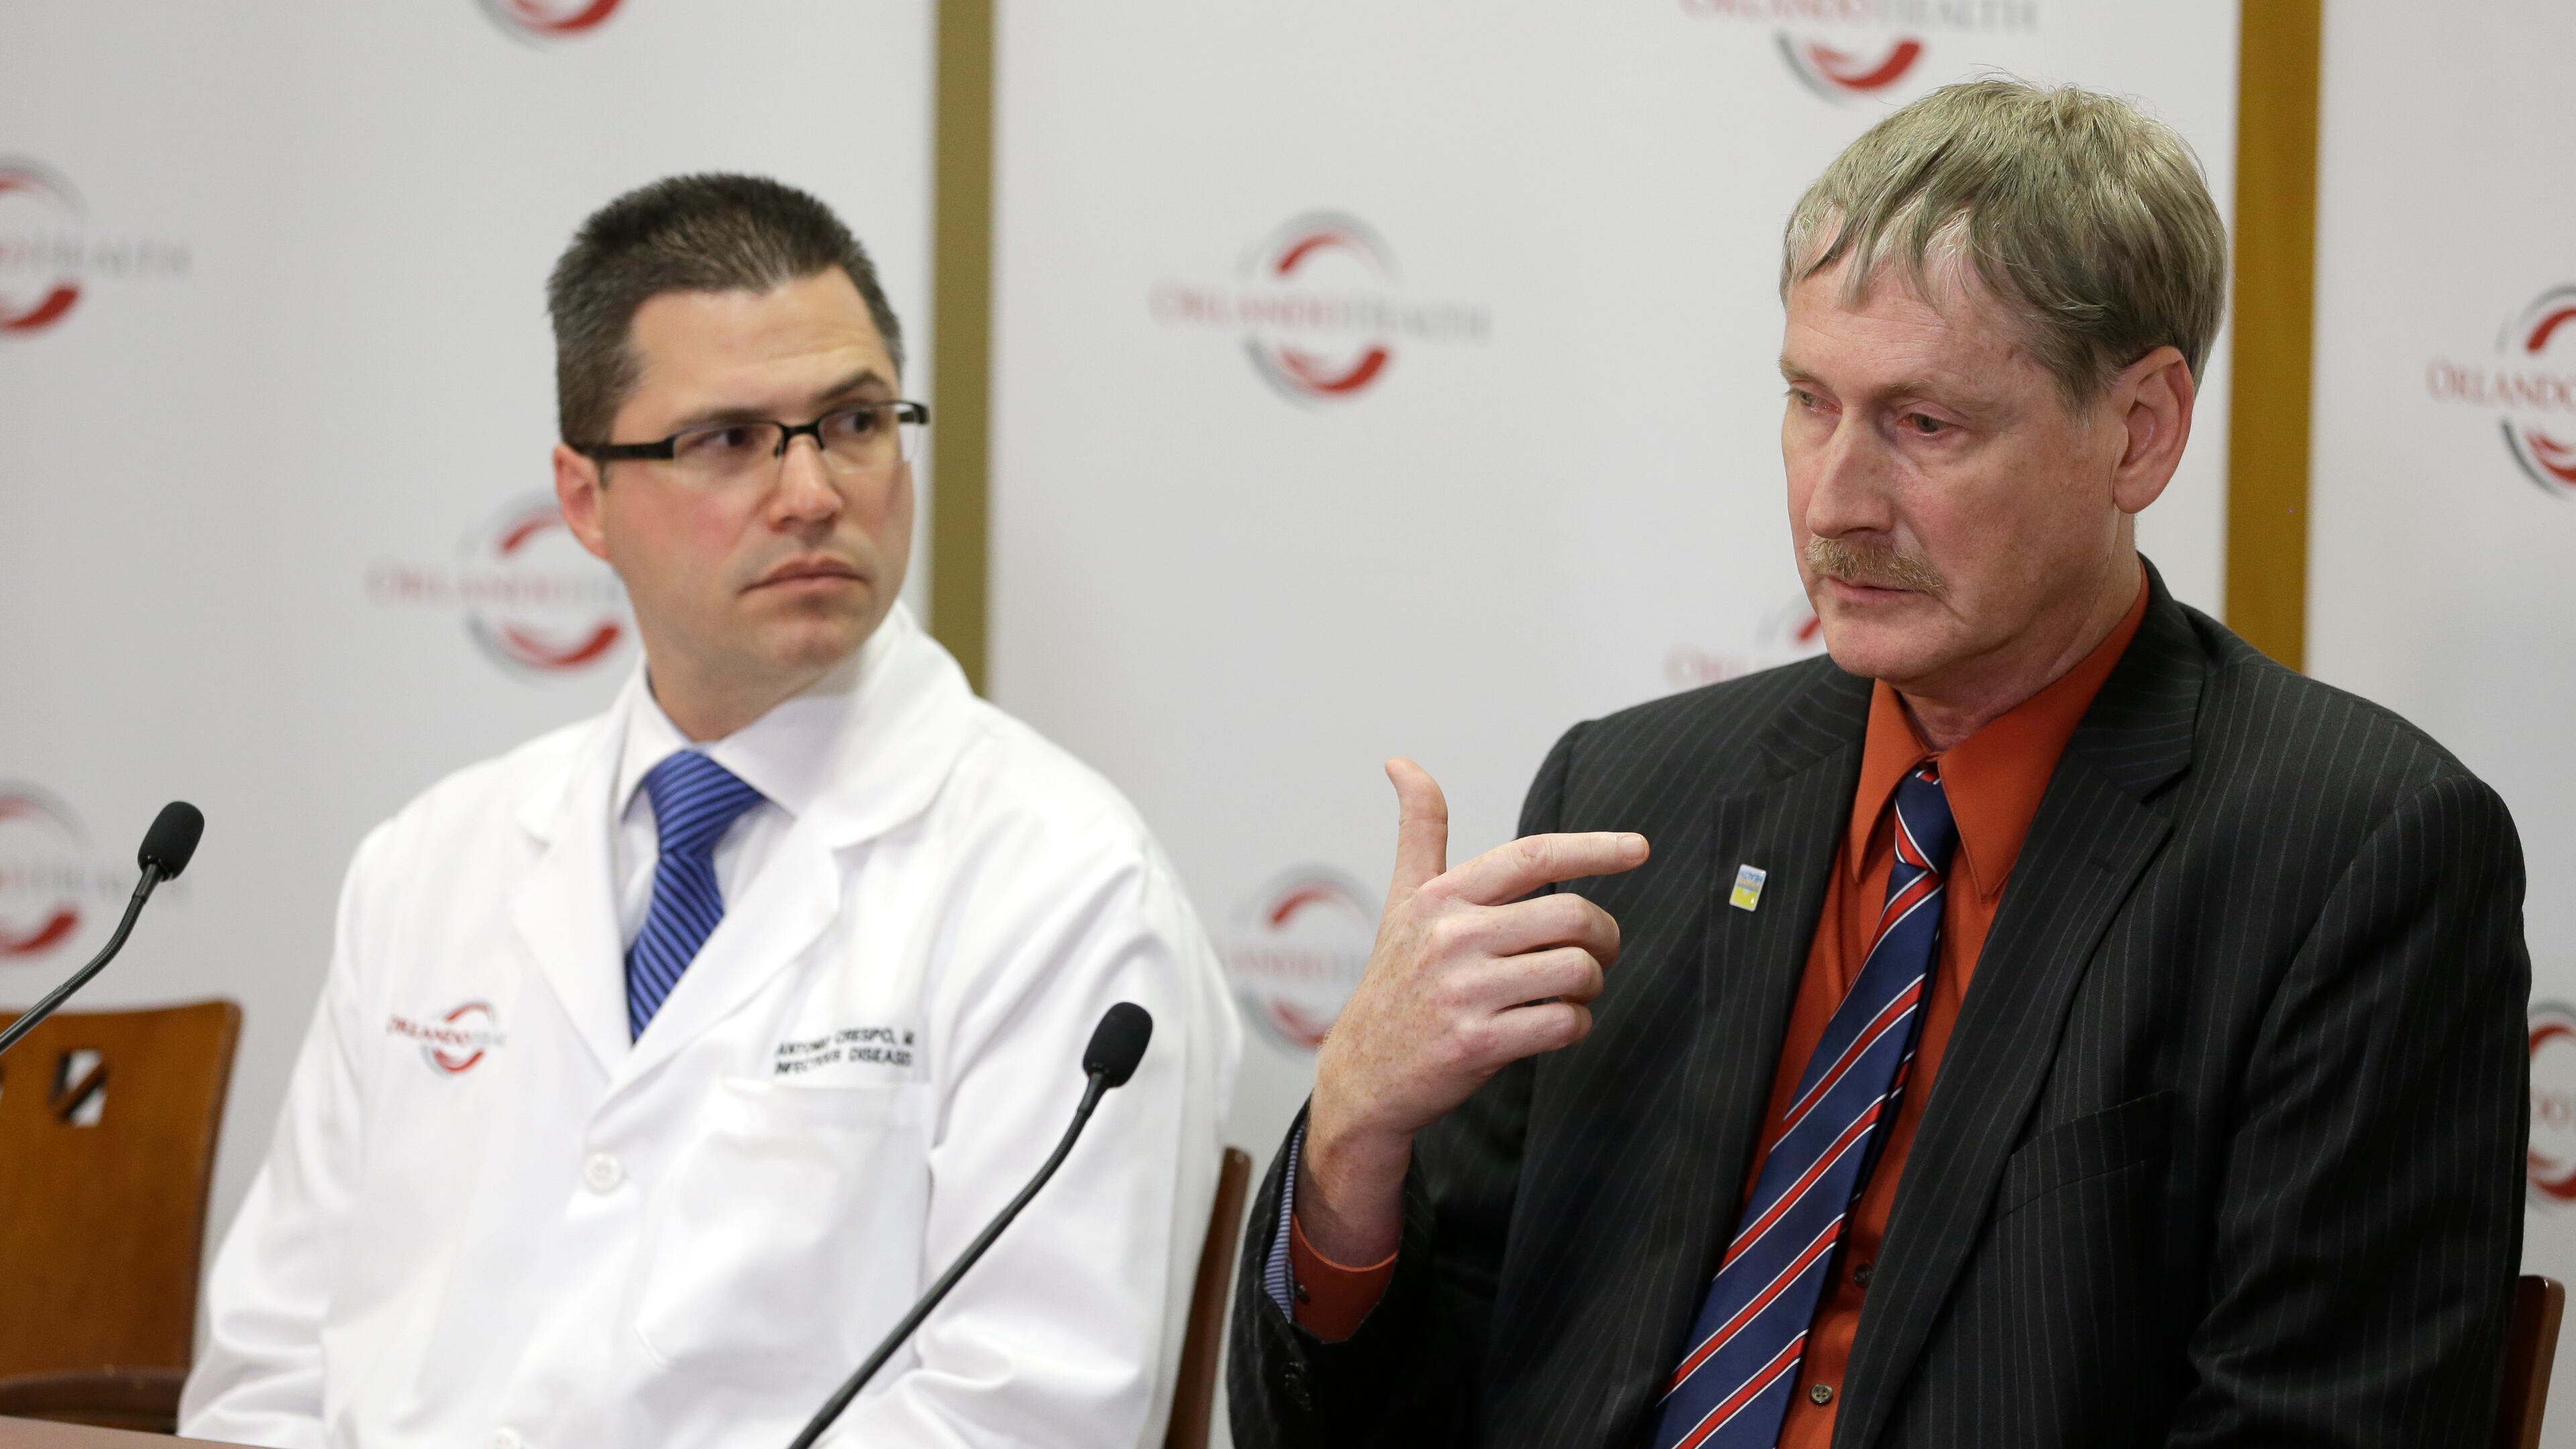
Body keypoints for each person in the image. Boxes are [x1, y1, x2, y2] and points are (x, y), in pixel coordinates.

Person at [1229, 80, 2529, 1449]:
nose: (1836, 503)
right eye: (1810, 402)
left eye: (1924, 424)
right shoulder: (1632, 801)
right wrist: (1351, 1149)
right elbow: (1400, 1418)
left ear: (2140, 430)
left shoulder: (2354, 861)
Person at [182, 174, 1242, 1449]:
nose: (812, 493)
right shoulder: (429, 861)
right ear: (585, 500)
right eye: (729, 441)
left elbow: (1030, 1418)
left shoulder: (1065, 884)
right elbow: (266, 1378)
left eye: (854, 422)